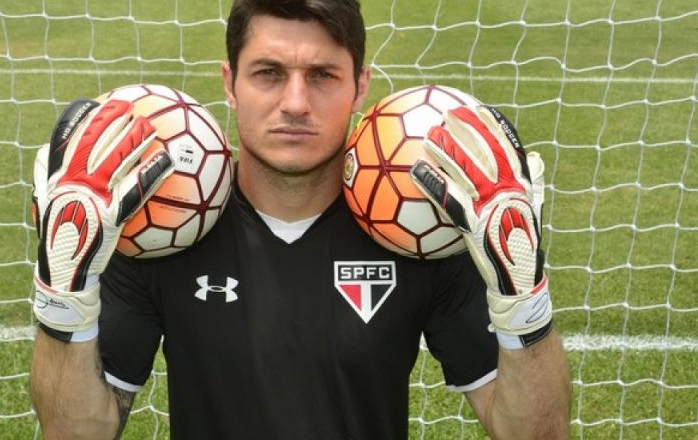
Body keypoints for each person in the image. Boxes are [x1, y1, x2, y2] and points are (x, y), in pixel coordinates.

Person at [29, 0, 572, 438]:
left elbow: (534, 434)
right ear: (229, 83)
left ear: (360, 85)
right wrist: (64, 292)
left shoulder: (424, 227)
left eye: (322, 75)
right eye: (268, 73)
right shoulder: (156, 226)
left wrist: (522, 296)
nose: (295, 102)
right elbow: (75, 433)